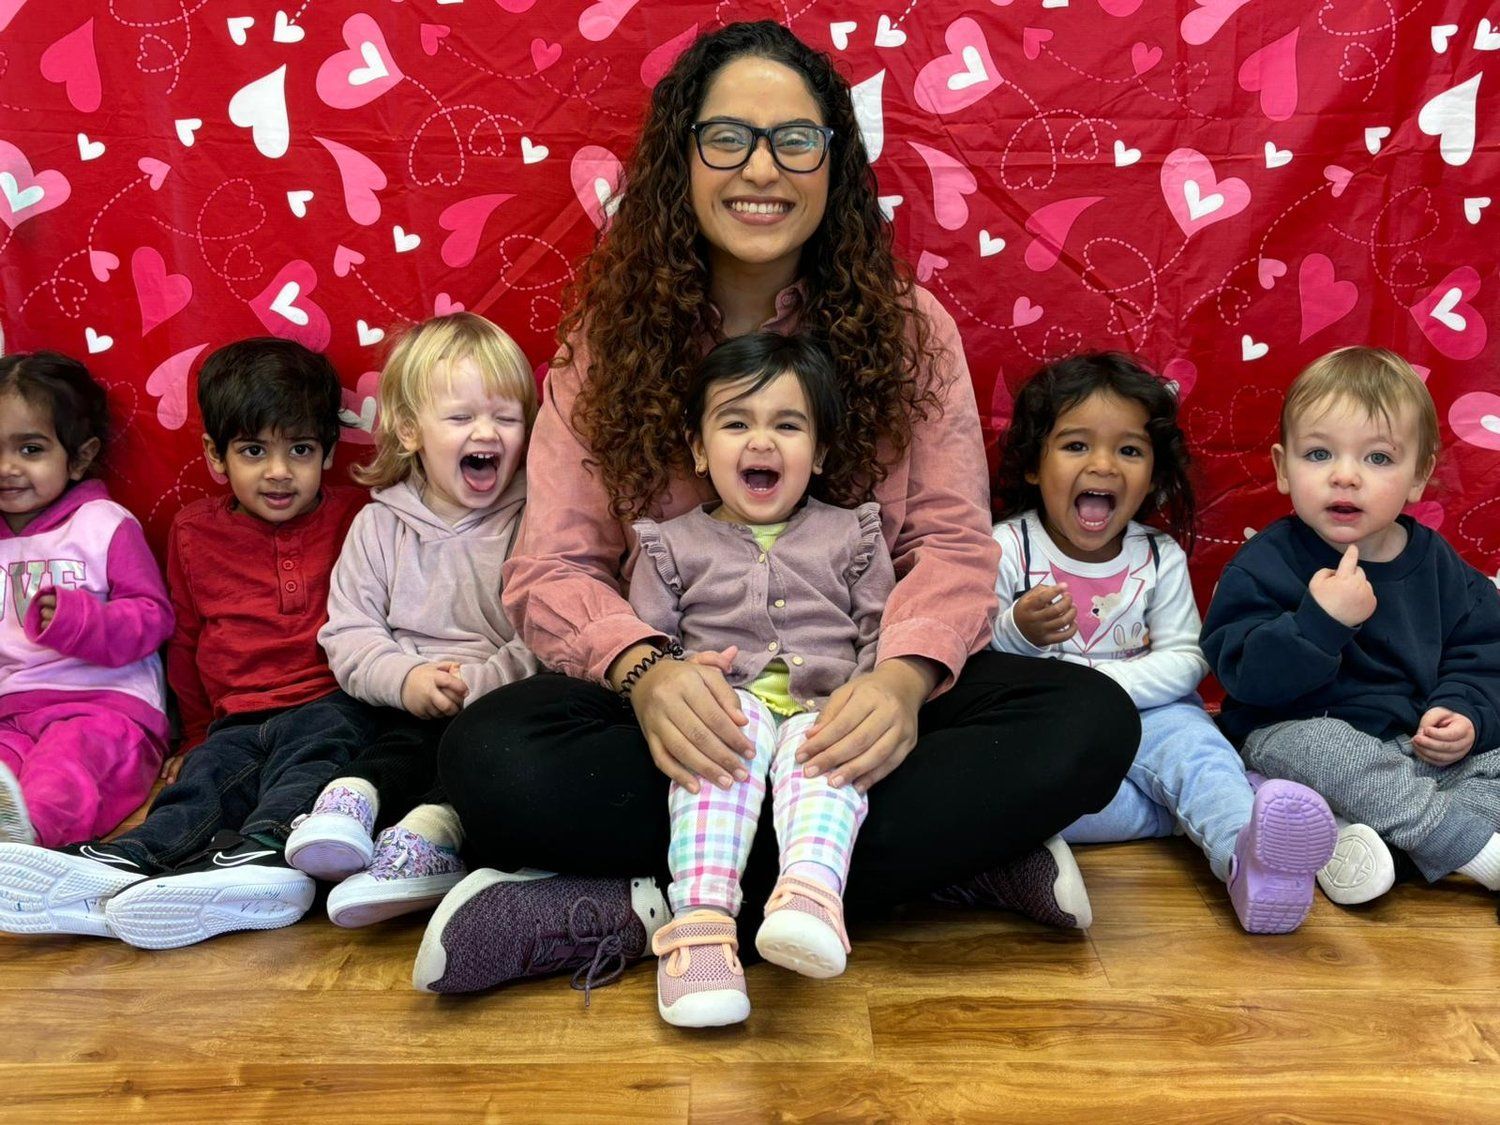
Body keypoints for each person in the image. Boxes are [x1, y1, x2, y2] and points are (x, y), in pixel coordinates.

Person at [412, 21, 1137, 999]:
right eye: (728, 139)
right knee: (489, 763)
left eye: (796, 140)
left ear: (834, 163)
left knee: (1087, 722)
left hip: (852, 705)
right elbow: (552, 568)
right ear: (683, 159)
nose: (763, 167)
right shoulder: (607, 344)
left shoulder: (909, 330)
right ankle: (936, 874)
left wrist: (905, 684)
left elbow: (952, 542)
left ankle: (652, 906)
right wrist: (645, 673)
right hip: (688, 723)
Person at [0, 338, 375, 947]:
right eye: (254, 451)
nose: (278, 473)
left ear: (328, 453)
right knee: (200, 785)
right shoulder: (193, 531)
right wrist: (196, 733)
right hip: (234, 717)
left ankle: (263, 857)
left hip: (328, 704)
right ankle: (125, 864)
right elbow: (188, 639)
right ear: (216, 455)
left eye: (300, 450)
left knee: (305, 772)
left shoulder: (359, 516)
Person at [990, 354, 1337, 933]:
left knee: (1194, 751)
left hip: (1151, 712)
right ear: (1032, 465)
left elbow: (1186, 656)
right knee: (1024, 795)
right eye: (1076, 445)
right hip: (1046, 719)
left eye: (1129, 450)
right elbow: (976, 662)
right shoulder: (1006, 548)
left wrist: (1105, 686)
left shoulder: (1158, 556)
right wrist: (1018, 633)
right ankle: (1199, 808)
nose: (1104, 464)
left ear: (1152, 475)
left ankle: (1248, 860)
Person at [631, 332, 892, 1026]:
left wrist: (873, 689)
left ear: (822, 451)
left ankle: (809, 894)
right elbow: (647, 645)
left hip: (822, 708)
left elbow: (880, 633)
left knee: (828, 756)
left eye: (788, 424)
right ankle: (703, 928)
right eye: (736, 422)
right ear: (697, 447)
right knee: (721, 745)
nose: (762, 442)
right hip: (729, 710)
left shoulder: (853, 535)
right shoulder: (670, 544)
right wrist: (679, 672)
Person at [1202, 346, 1500, 912]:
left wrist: (1464, 710)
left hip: (1411, 746)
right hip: (1296, 731)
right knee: (1328, 748)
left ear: (1419, 476)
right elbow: (1242, 675)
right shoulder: (1266, 562)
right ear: (1283, 468)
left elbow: (1484, 650)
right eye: (1318, 453)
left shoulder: (1438, 565)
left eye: (1379, 459)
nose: (1345, 475)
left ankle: (1376, 848)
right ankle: (1476, 852)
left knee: (1496, 757)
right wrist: (1321, 623)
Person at [284, 312, 538, 927]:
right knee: (371, 737)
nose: (488, 433)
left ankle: (431, 837)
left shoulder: (536, 520)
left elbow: (548, 630)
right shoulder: (379, 526)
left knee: (482, 754)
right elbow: (349, 632)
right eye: (460, 418)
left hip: (498, 699)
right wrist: (406, 680)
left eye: (507, 418)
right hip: (401, 697)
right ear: (408, 430)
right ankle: (350, 806)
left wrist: (479, 684)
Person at [0, 352, 172, 848]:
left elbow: (153, 617)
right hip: (14, 712)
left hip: (106, 711)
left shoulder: (103, 525)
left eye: (30, 449)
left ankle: (30, 845)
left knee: (64, 766)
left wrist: (81, 620)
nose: (8, 468)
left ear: (78, 457)